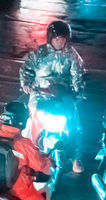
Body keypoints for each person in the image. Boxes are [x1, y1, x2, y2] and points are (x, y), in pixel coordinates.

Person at [20, 20, 85, 169]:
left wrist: (78, 90)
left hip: (63, 94)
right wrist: (26, 84)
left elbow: (78, 75)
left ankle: (76, 158)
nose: (59, 42)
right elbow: (26, 70)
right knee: (33, 121)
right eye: (57, 39)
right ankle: (31, 154)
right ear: (50, 39)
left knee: (76, 125)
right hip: (40, 93)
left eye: (62, 39)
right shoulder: (39, 53)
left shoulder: (72, 55)